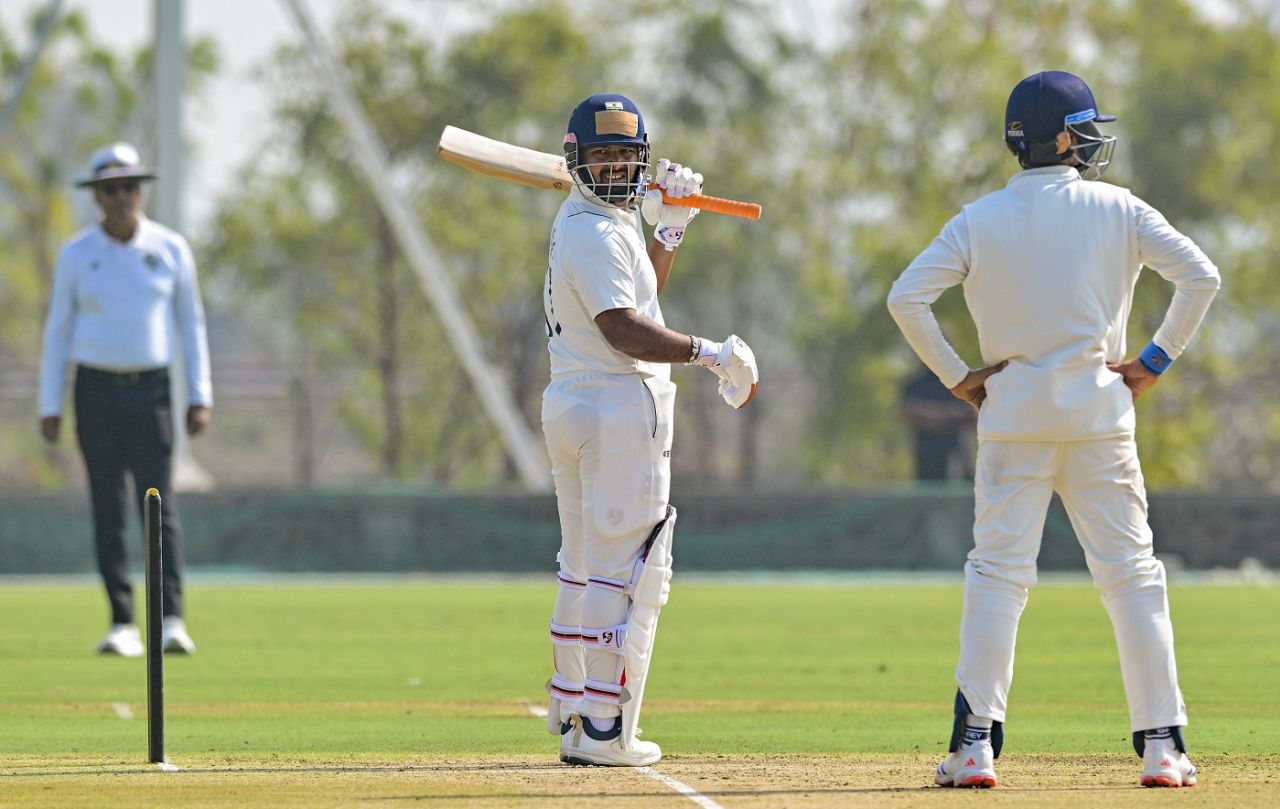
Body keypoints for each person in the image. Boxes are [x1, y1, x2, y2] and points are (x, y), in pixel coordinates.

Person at [886, 71, 1218, 788]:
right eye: (1087, 128)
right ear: (1065, 139)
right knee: (1132, 577)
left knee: (997, 577)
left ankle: (974, 747)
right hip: (1100, 417)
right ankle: (1163, 747)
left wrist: (958, 377)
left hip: (1012, 420)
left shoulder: (978, 219)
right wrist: (1153, 361)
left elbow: (905, 297)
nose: (1095, 139)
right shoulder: (1119, 208)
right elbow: (1201, 278)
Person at [541, 94, 759, 767]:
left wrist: (668, 233)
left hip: (577, 400)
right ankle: (605, 729)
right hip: (614, 406)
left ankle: (576, 709)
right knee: (630, 573)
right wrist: (710, 352)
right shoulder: (599, 231)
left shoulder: (601, 221)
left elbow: (640, 302)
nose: (614, 169)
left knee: (585, 566)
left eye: (624, 156)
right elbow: (623, 329)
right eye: (601, 156)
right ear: (576, 159)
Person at [38, 142, 213, 657]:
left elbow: (190, 324)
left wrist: (199, 394)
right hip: (95, 390)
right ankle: (122, 622)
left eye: (130, 187)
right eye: (112, 189)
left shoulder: (170, 248)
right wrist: (50, 404)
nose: (122, 198)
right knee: (107, 506)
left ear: (141, 192)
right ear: (98, 196)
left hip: (152, 391)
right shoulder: (77, 254)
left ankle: (171, 618)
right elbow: (58, 331)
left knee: (159, 505)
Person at [900, 363, 977, 480]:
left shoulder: (959, 383)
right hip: (928, 457)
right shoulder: (916, 385)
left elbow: (974, 416)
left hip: (959, 455)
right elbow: (911, 413)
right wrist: (951, 414)